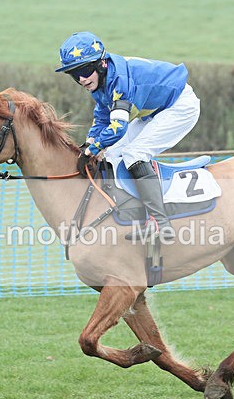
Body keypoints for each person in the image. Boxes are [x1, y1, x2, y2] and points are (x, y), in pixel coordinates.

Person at [54, 31, 200, 241]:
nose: (82, 79)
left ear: (101, 64)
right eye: (74, 74)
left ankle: (161, 224)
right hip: (153, 110)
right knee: (113, 152)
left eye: (85, 70)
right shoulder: (100, 80)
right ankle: (128, 211)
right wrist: (89, 142)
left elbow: (117, 128)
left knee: (134, 153)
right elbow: (103, 117)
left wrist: (93, 149)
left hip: (179, 105)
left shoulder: (119, 81)